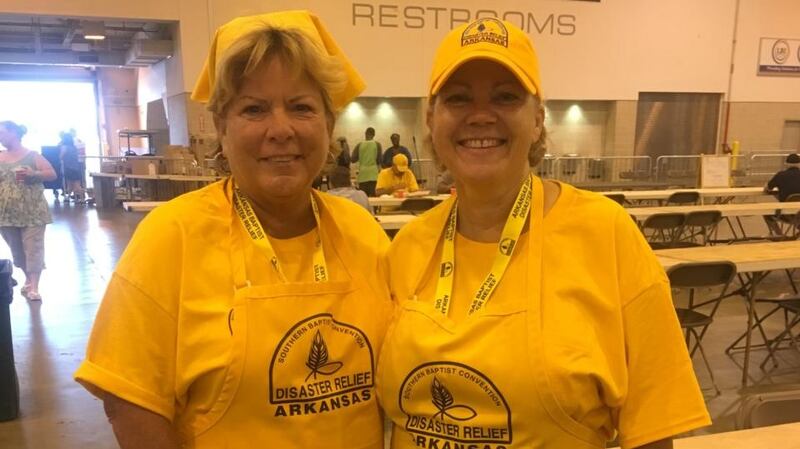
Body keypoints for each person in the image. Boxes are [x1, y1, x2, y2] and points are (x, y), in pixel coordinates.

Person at [377, 18, 709, 449]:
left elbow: (653, 432)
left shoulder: (607, 236)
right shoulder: (407, 247)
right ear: (432, 121)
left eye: (505, 97)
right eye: (458, 99)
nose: (480, 115)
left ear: (537, 120)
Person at [74, 11, 392, 449]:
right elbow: (129, 398)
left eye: (301, 107)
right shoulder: (172, 235)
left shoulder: (361, 230)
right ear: (222, 128)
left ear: (329, 124)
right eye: (254, 109)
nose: (280, 130)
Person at [0, 120, 57, 302]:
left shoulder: (33, 156)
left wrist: (34, 174)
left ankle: (34, 286)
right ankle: (28, 279)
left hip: (33, 211)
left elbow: (52, 174)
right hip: (6, 213)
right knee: (17, 250)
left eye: (2, 133)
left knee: (34, 248)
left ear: (14, 133)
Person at [763, 153, 800, 234]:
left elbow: (767, 189)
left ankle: (779, 235)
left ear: (786, 164)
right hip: (799, 213)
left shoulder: (780, 175)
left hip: (785, 214)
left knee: (767, 214)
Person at [351, 127, 381, 196]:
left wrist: (362, 156)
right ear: (374, 135)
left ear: (365, 134)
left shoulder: (359, 145)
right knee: (374, 197)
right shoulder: (377, 144)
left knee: (363, 197)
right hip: (373, 175)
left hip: (362, 174)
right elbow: (379, 160)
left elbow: (353, 159)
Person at [59, 131, 85, 203]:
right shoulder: (74, 147)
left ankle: (82, 198)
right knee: (73, 184)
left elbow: (61, 156)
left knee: (72, 185)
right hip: (76, 167)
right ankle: (69, 197)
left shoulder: (64, 147)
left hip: (68, 168)